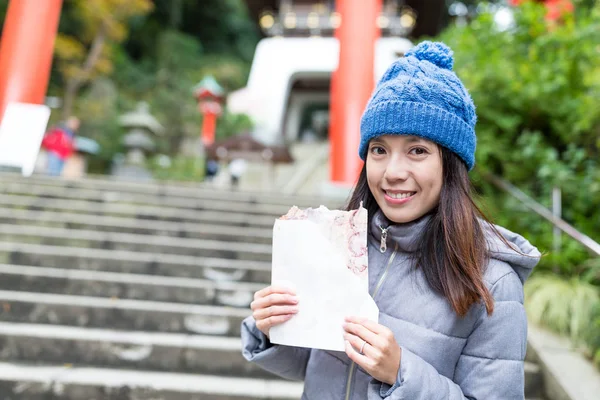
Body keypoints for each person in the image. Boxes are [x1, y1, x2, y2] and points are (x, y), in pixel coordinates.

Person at [241, 41, 541, 399]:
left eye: (417, 151)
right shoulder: (339, 246)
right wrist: (274, 326)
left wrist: (401, 372)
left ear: (451, 164)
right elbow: (310, 364)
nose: (393, 172)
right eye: (379, 150)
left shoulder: (493, 281)